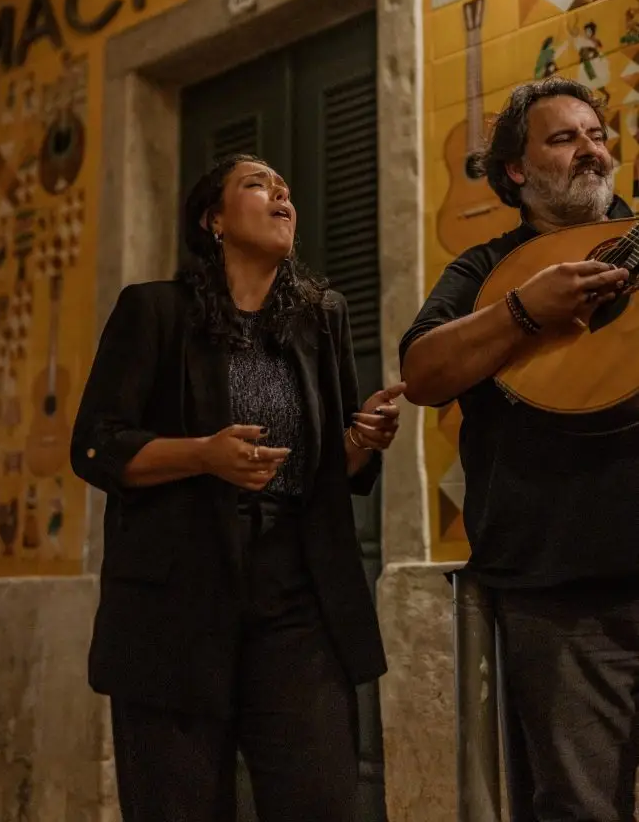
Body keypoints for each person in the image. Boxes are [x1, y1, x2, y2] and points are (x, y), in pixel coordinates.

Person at [71, 153, 405, 822]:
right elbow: (96, 447)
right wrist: (203, 455)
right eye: (257, 185)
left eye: (285, 189)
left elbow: (326, 474)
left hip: (298, 596)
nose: (281, 195)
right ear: (213, 219)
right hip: (176, 602)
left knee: (320, 801)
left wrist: (362, 439)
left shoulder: (321, 317)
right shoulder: (154, 311)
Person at [400, 76, 639, 821]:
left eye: (595, 135)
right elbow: (422, 373)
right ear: (515, 170)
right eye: (563, 139)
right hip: (557, 588)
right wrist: (521, 311)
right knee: (579, 804)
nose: (589, 151)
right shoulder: (480, 272)